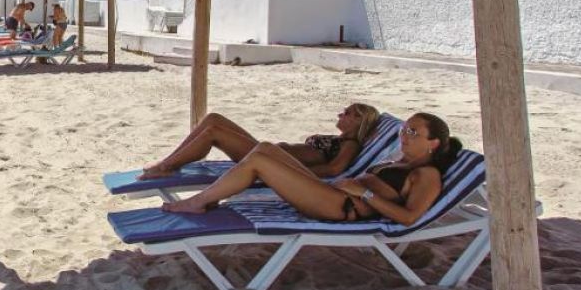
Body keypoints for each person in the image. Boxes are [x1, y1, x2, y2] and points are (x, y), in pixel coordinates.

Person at [164, 113, 460, 226]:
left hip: (343, 206)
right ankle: (209, 198)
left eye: (413, 132)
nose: (404, 135)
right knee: (264, 149)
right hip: (333, 193)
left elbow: (409, 217)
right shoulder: (402, 162)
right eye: (404, 129)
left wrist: (364, 193)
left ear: (433, 143)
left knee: (259, 162)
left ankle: (199, 201)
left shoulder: (427, 175)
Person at [141, 104, 382, 180]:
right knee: (213, 118)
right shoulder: (340, 139)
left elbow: (334, 170)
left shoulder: (350, 145)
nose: (340, 114)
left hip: (269, 160)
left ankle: (166, 166)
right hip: (267, 153)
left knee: (213, 131)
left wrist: (289, 173)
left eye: (347, 113)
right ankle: (169, 161)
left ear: (359, 121)